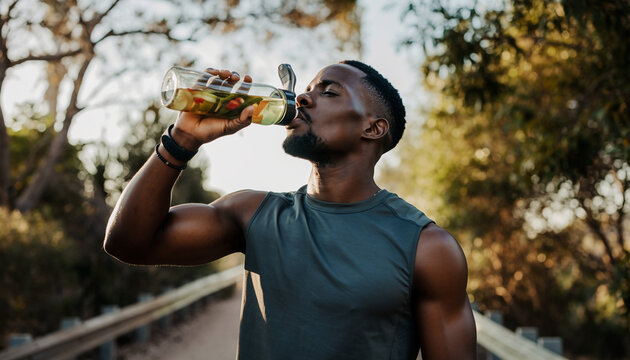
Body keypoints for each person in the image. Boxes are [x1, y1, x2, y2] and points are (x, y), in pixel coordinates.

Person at [104, 60, 477, 359]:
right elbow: (128, 243)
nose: (303, 99)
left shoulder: (426, 247)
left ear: (373, 128)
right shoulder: (254, 213)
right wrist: (181, 139)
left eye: (329, 92)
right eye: (307, 89)